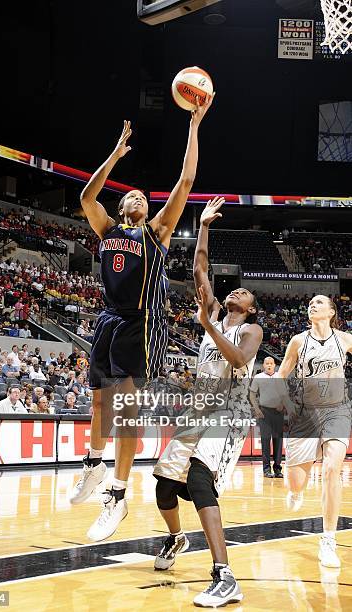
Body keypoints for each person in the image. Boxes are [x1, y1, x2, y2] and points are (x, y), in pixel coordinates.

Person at [69, 95, 215, 542]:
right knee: (99, 403)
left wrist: (194, 125)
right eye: (129, 195)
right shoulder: (107, 230)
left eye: (141, 197)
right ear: (121, 208)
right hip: (109, 320)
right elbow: (85, 195)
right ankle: (94, 466)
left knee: (126, 407)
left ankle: (118, 492)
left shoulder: (156, 233)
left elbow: (187, 180)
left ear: (149, 211)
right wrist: (115, 154)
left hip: (143, 322)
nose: (135, 196)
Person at [152, 198, 263, 608]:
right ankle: (176, 537)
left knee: (199, 479)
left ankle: (224, 575)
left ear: (250, 308)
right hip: (196, 410)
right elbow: (200, 268)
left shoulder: (252, 330)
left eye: (245, 293)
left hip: (229, 413)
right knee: (164, 486)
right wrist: (202, 225)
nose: (237, 290)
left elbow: (237, 360)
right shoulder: (214, 312)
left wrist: (204, 326)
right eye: (235, 288)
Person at [278, 294, 352, 568]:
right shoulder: (298, 341)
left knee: (333, 468)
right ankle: (296, 491)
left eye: (319, 302)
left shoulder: (344, 339)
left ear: (332, 312)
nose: (313, 305)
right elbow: (282, 375)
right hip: (306, 412)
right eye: (310, 303)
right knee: (297, 481)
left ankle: (328, 539)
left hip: (337, 410)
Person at [249, 356, 286, 478]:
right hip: (264, 412)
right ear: (263, 365)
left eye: (271, 363)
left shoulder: (280, 376)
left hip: (278, 413)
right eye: (266, 363)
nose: (269, 365)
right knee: (265, 441)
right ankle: (266, 469)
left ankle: (277, 469)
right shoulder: (258, 377)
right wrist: (257, 409)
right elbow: (252, 395)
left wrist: (282, 404)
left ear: (275, 365)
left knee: (278, 441)